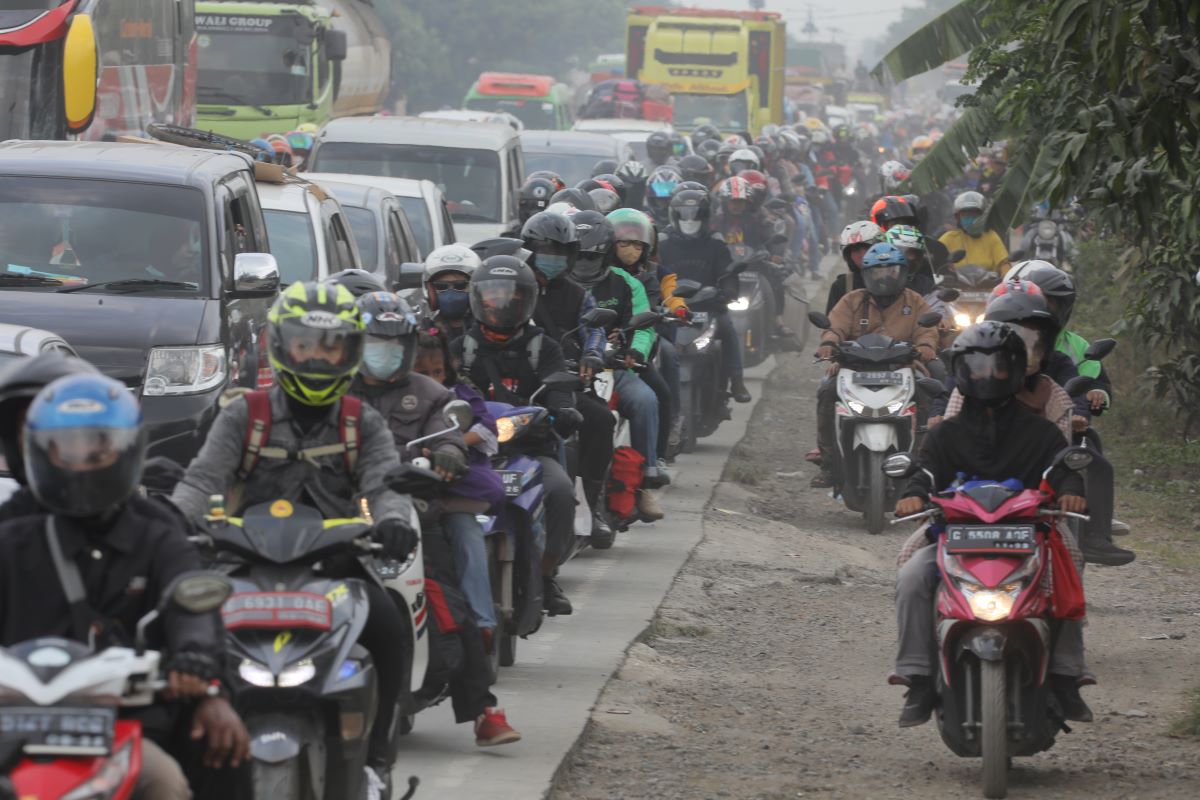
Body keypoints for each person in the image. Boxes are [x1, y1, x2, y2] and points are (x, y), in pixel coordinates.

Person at [170, 281, 416, 794]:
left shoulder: (361, 421)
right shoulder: (244, 414)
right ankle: (178, 754)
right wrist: (171, 525)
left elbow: (386, 485)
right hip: (238, 562)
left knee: (391, 626)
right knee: (172, 630)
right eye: (306, 345)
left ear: (350, 352)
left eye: (332, 348)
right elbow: (200, 481)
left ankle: (376, 759)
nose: (318, 360)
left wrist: (393, 521)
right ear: (281, 347)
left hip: (338, 565)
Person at [0, 373, 251, 800]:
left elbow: (192, 606)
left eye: (98, 449)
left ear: (126, 452)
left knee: (179, 773)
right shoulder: (12, 537)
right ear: (40, 454)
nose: (82, 462)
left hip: (122, 719)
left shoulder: (158, 536)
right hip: (12, 717)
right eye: (67, 450)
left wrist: (196, 667)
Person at [892, 321, 1092, 726]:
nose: (987, 375)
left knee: (1069, 564)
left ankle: (1067, 674)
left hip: (1032, 536)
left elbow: (1061, 468)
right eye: (976, 366)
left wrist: (1071, 487)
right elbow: (925, 472)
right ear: (961, 371)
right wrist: (912, 491)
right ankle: (917, 675)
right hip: (953, 536)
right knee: (912, 571)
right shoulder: (945, 434)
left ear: (1017, 370)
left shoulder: (1040, 432)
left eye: (998, 366)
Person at [350, 292, 520, 747]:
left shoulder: (430, 394)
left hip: (411, 516)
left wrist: (446, 456)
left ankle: (484, 711)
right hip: (339, 513)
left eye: (396, 343)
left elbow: (451, 437)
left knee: (449, 604)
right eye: (375, 341)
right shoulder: (332, 389)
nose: (386, 351)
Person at [451, 256, 583, 616]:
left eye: (511, 296)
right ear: (478, 299)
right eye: (493, 295)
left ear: (526, 300)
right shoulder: (461, 349)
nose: (502, 303)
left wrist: (561, 413)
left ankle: (547, 573)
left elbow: (560, 394)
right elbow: (441, 394)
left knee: (560, 492)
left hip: (530, 450)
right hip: (472, 452)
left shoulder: (545, 347)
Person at [1004, 261, 1134, 565]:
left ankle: (1096, 536)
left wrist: (1094, 399)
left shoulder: (1074, 349)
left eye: (1056, 303)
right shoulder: (993, 338)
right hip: (1002, 424)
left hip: (1060, 425)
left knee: (1094, 455)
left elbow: (1092, 384)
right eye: (1043, 301)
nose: (1049, 309)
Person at [568, 210, 668, 522]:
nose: (586, 261)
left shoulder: (626, 284)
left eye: (593, 254)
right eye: (579, 254)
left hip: (614, 368)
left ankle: (644, 480)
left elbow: (643, 326)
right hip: (569, 370)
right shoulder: (559, 285)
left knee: (646, 399)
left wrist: (635, 353)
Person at [813, 243, 939, 489]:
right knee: (826, 391)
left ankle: (924, 463)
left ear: (903, 273)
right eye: (876, 272)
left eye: (890, 271)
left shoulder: (916, 302)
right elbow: (835, 326)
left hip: (902, 366)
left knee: (928, 394)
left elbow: (927, 330)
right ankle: (829, 464)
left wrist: (925, 346)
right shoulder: (852, 300)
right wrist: (829, 342)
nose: (883, 278)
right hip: (854, 367)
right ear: (866, 275)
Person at [658, 188, 752, 404]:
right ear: (674, 215)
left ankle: (737, 380)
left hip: (708, 305)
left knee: (728, 328)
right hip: (670, 307)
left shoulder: (715, 243)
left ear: (706, 216)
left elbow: (727, 271)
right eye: (685, 215)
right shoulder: (662, 243)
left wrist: (728, 292)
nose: (690, 221)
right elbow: (653, 271)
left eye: (696, 215)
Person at [938, 190, 1010, 275]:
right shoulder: (948, 238)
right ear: (958, 217)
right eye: (965, 214)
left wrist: (1006, 277)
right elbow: (935, 261)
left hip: (988, 286)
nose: (970, 218)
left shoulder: (991, 236)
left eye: (974, 214)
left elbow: (1003, 263)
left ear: (983, 216)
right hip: (957, 287)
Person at [423, 243, 482, 339]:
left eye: (460, 285)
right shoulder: (425, 330)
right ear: (431, 290)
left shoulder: (487, 331)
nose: (450, 292)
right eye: (441, 286)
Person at [825, 220, 884, 313]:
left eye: (867, 248)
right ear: (849, 256)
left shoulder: (895, 282)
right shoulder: (841, 286)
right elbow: (831, 325)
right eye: (856, 250)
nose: (862, 254)